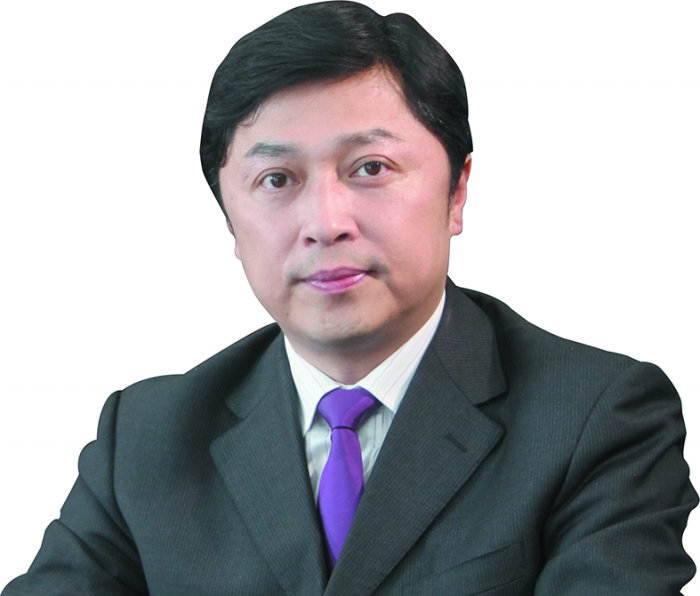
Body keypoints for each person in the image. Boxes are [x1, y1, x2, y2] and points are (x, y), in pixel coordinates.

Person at [2, 2, 696, 594]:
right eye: (277, 180)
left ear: (457, 191)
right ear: (229, 221)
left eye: (370, 167)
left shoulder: (597, 419)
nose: (325, 222)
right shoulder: (147, 440)